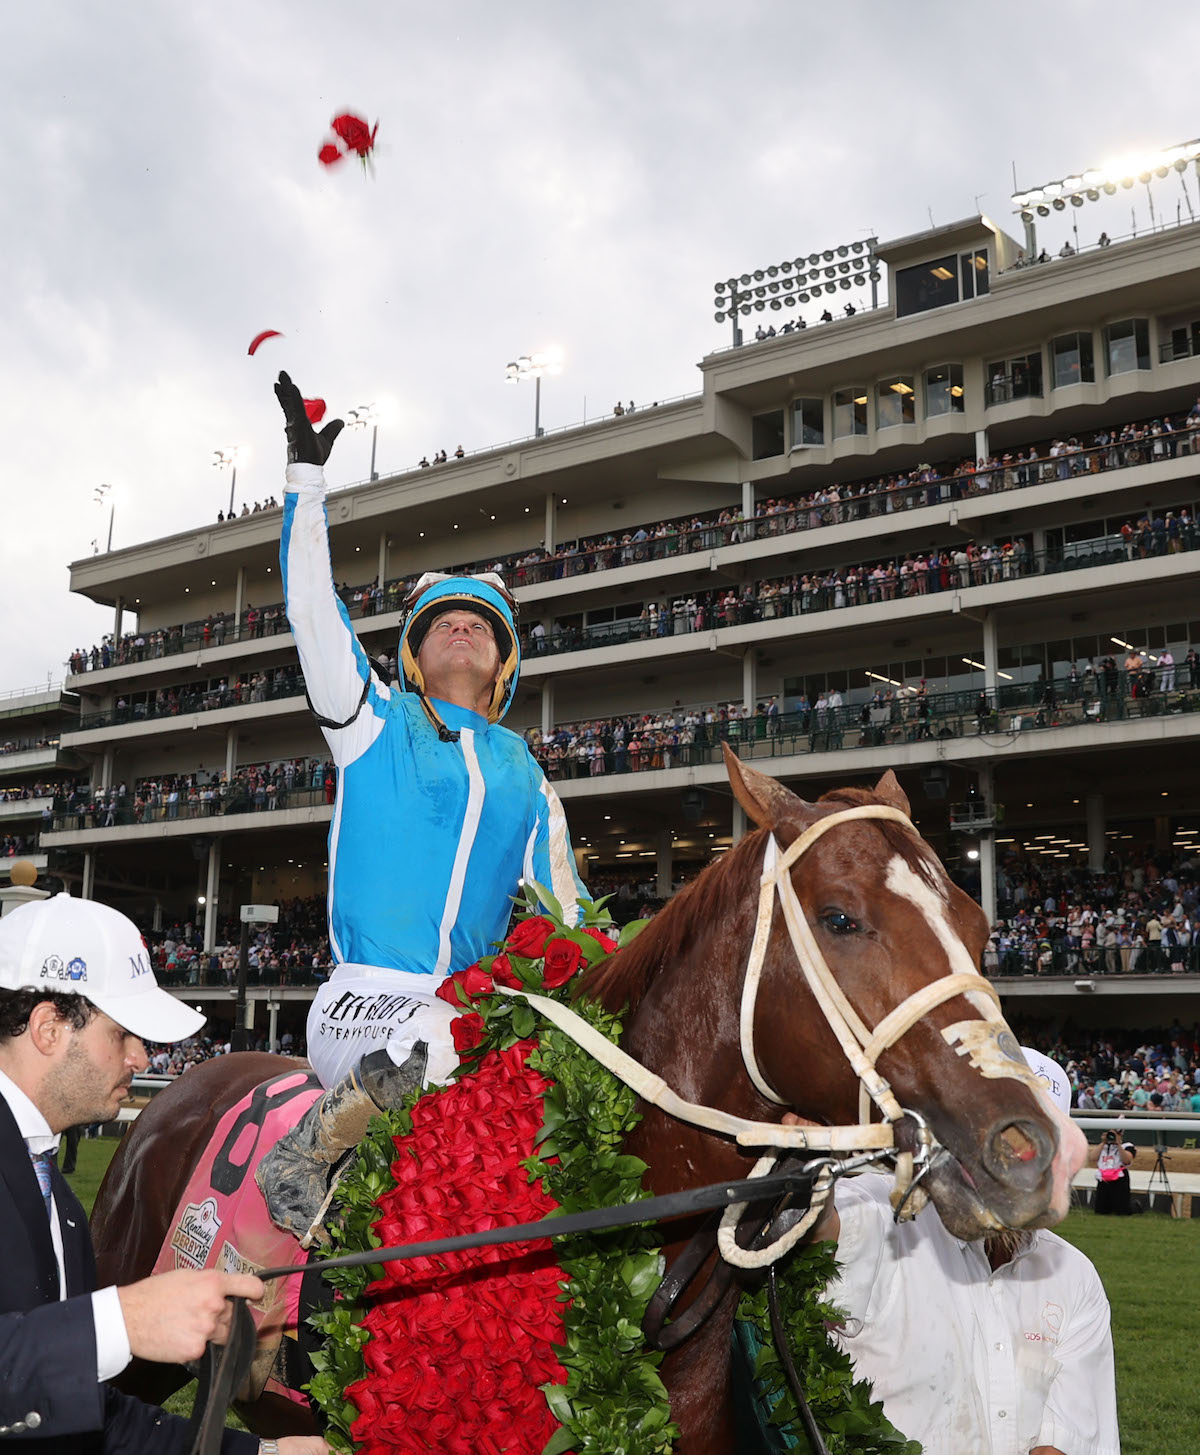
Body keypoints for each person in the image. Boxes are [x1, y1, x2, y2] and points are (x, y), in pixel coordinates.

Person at [263, 373, 585, 1233]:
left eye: (480, 622)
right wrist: (306, 480)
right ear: (412, 652)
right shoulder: (369, 720)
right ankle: (313, 1151)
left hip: (464, 1003)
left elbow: (574, 919)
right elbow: (310, 609)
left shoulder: (529, 775)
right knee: (460, 1036)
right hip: (364, 1000)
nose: (461, 626)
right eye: (442, 618)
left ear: (503, 662)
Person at [0, 891, 325, 1455]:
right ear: (48, 1028)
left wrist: (262, 1454)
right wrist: (121, 1322)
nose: (141, 1059)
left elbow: (89, 1414)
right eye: (122, 1034)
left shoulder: (55, 1194)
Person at [803, 1047, 1118, 1455]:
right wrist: (806, 1171)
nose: (1012, 1170)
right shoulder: (884, 1213)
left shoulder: (1072, 1276)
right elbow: (824, 1234)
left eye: (1032, 1150)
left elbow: (1063, 1441)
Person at [1093, 1129, 1135, 1215]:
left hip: (1120, 1177)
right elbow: (1092, 1158)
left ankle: (1135, 1206)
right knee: (1100, 1211)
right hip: (1104, 1177)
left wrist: (1118, 1144)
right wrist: (1103, 1143)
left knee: (1122, 1211)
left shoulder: (1127, 1146)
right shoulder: (1103, 1147)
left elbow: (1127, 1161)